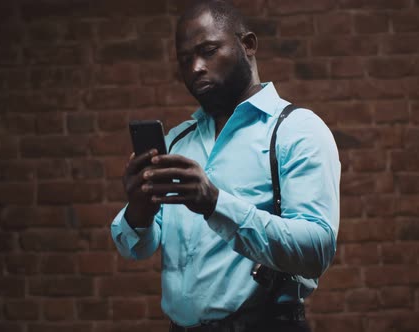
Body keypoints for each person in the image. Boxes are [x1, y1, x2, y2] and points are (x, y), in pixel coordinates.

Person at [111, 1, 340, 331]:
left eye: (208, 51)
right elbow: (135, 247)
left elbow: (316, 249)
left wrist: (215, 203)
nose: (196, 68)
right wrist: (139, 211)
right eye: (185, 59)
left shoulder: (295, 130)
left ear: (247, 45)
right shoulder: (177, 142)